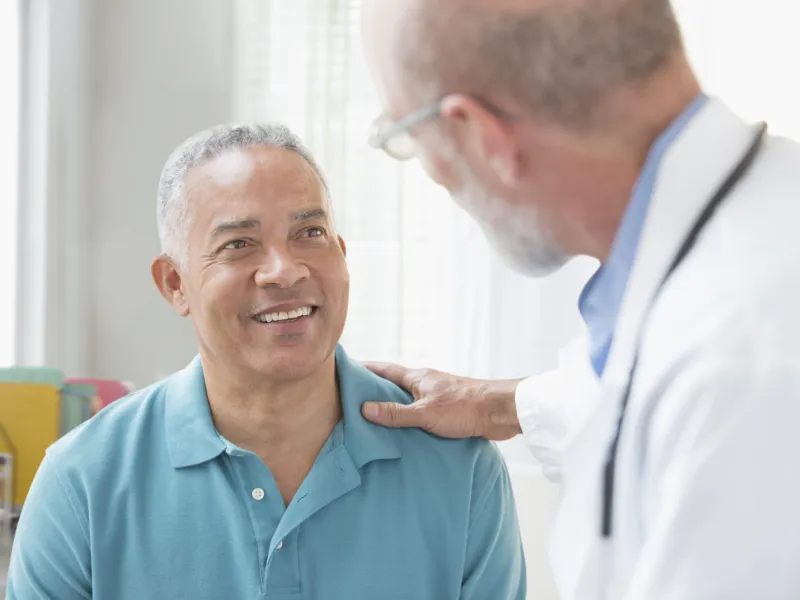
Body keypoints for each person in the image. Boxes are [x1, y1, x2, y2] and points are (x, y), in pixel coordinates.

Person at [360, 0, 800, 598]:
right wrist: (496, 405)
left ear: (477, 133)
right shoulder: (753, 231)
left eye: (405, 136)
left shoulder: (738, 364)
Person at [6, 124, 526, 600]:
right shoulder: (82, 481)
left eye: (310, 234)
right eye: (239, 244)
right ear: (174, 283)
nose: (284, 270)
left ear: (342, 253)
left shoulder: (461, 468)